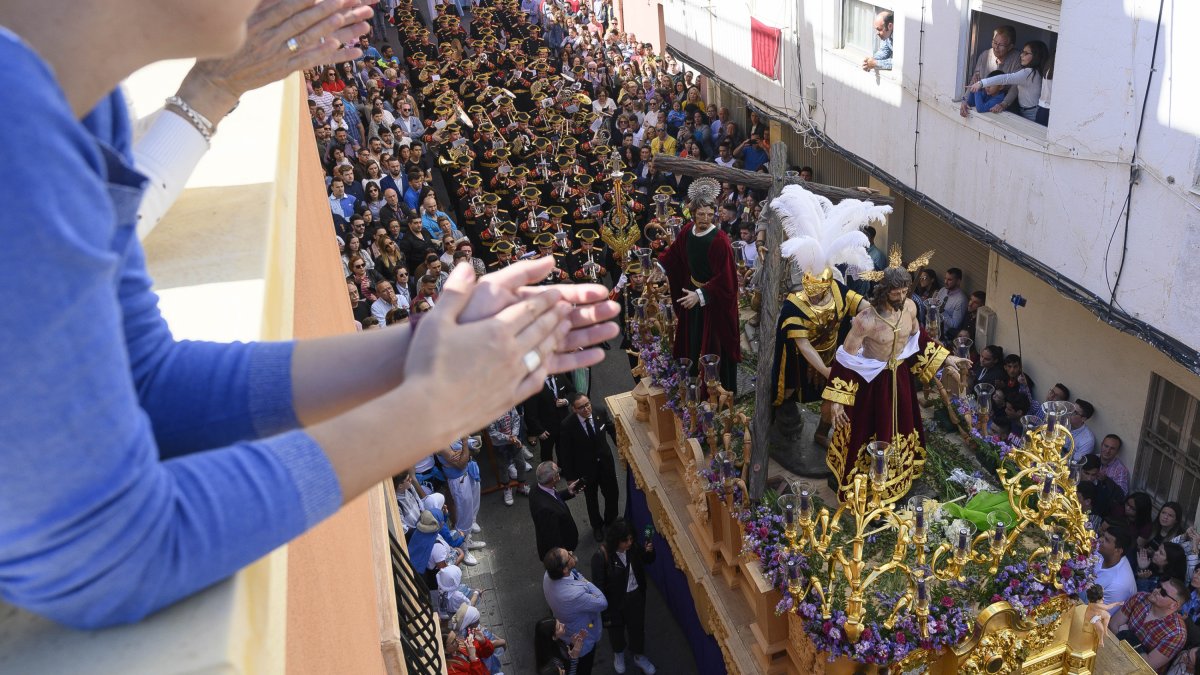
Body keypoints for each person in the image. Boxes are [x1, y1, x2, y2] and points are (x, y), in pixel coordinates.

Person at [0, 0, 620, 621]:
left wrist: (421, 346)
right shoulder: (19, 134)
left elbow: (145, 376)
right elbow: (112, 556)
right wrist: (425, 412)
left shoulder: (73, 94)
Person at [824, 256, 967, 502]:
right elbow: (846, 358)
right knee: (867, 428)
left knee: (903, 423)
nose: (901, 298)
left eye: (904, 292)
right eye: (896, 293)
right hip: (872, 382)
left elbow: (917, 339)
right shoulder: (865, 321)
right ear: (884, 291)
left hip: (899, 377)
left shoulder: (910, 308)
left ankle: (898, 472)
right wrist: (837, 399)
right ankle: (865, 481)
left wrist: (946, 359)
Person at [659, 178, 741, 392]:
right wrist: (659, 269)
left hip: (713, 304)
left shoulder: (719, 241)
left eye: (709, 214)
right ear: (693, 214)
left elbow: (727, 280)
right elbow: (675, 253)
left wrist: (701, 294)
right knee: (692, 340)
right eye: (700, 214)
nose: (705, 218)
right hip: (692, 294)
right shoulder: (688, 231)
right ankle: (692, 380)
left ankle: (714, 389)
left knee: (711, 346)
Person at [591, 520, 657, 675]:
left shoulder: (633, 548)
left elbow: (648, 560)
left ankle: (639, 656)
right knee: (616, 630)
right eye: (625, 540)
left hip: (636, 597)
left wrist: (649, 551)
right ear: (615, 540)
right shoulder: (601, 557)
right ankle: (618, 653)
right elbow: (598, 587)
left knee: (637, 628)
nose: (629, 543)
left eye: (631, 539)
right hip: (614, 602)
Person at [559, 393, 620, 542]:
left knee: (612, 494)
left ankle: (610, 522)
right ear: (574, 409)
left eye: (587, 404)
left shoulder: (599, 411)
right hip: (585, 469)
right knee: (591, 499)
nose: (586, 409)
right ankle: (597, 526)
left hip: (605, 464)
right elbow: (565, 453)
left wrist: (622, 446)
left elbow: (611, 429)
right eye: (581, 407)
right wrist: (571, 477)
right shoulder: (567, 425)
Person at [543, 547, 608, 675]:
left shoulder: (547, 576)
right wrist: (586, 582)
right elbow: (602, 603)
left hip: (567, 631)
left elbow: (574, 575)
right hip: (583, 637)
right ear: (565, 569)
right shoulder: (575, 594)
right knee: (583, 667)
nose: (572, 554)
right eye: (569, 556)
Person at [1110, 578, 1189, 670]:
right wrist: (1138, 650)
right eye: (1159, 586)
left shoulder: (1177, 633)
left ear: (1174, 605)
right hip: (1112, 652)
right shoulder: (1140, 597)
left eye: (1163, 592)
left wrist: (1126, 634)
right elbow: (1113, 624)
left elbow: (1146, 666)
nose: (1156, 590)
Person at [968, 41, 1049, 122]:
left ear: (1036, 56)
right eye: (1022, 52)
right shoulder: (1035, 72)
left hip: (1032, 113)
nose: (1021, 55)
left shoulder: (1028, 73)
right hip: (1029, 110)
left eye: (1026, 53)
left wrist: (981, 83)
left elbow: (1005, 78)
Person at [959, 25, 1021, 117]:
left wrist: (1003, 104)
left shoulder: (1017, 59)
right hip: (984, 100)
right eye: (994, 42)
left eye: (1001, 45)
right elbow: (975, 80)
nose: (996, 47)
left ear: (1010, 47)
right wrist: (964, 100)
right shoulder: (985, 55)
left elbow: (1016, 87)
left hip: (1003, 106)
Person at [530, 462, 584, 561]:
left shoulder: (537, 487)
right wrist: (567, 557)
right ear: (554, 478)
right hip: (562, 549)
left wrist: (568, 492)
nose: (559, 472)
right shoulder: (546, 511)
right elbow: (553, 539)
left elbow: (553, 497)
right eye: (557, 472)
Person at [525, 374, 578, 463]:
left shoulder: (560, 375)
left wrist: (566, 401)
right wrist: (539, 431)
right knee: (546, 453)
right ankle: (549, 474)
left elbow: (572, 392)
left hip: (563, 423)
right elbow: (530, 412)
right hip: (546, 429)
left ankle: (563, 468)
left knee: (563, 448)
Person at [1094, 527, 1139, 610]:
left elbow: (1099, 616)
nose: (1100, 540)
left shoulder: (1118, 585)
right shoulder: (1103, 551)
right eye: (1103, 535)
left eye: (1107, 540)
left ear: (1118, 551)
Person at [932, 267, 966, 341]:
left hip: (944, 337)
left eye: (949, 280)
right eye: (945, 278)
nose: (945, 282)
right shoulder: (943, 290)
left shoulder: (961, 300)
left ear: (958, 281)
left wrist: (943, 312)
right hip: (932, 329)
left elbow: (955, 325)